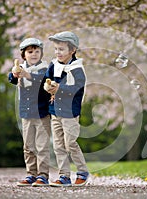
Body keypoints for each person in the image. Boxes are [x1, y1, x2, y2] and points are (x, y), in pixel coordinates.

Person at [44, 31, 89, 187]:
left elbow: (78, 87)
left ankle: (82, 171)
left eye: (61, 49)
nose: (58, 52)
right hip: (55, 111)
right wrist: (48, 87)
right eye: (56, 49)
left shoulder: (76, 68)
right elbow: (46, 81)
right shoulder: (53, 65)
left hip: (70, 112)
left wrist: (59, 89)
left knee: (70, 143)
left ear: (72, 50)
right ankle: (64, 176)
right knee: (58, 145)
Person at [8, 38, 51, 187]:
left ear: (41, 53)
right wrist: (14, 74)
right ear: (23, 54)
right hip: (26, 114)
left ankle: (43, 175)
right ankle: (31, 174)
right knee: (28, 146)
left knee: (42, 146)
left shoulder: (45, 69)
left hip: (42, 113)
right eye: (30, 51)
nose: (34, 54)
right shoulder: (21, 68)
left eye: (37, 51)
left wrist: (28, 75)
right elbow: (11, 79)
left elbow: (43, 80)